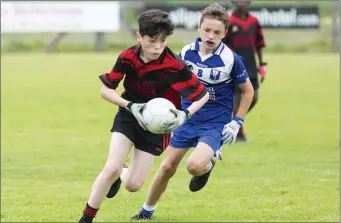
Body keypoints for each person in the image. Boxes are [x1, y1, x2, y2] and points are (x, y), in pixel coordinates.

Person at [79, 9, 209, 223]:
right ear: (139, 36)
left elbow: (202, 94)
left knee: (133, 185)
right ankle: (86, 218)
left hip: (156, 127)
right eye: (151, 41)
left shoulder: (174, 65)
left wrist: (185, 115)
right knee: (110, 167)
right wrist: (130, 106)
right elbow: (106, 90)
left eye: (163, 41)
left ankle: (121, 174)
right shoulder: (128, 57)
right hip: (128, 115)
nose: (157, 47)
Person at [131, 3, 254, 220]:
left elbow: (248, 91)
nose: (211, 35)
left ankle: (207, 166)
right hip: (187, 117)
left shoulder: (230, 59)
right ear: (199, 28)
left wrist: (237, 122)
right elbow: (173, 81)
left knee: (194, 166)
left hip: (215, 123)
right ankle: (146, 211)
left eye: (217, 32)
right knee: (168, 166)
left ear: (225, 34)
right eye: (207, 30)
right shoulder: (187, 53)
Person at [222, 0, 267, 142]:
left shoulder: (254, 21)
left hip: (251, 64)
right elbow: (222, 44)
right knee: (237, 97)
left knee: (253, 97)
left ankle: (234, 120)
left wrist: (261, 65)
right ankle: (239, 133)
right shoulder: (228, 21)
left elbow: (259, 44)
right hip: (234, 64)